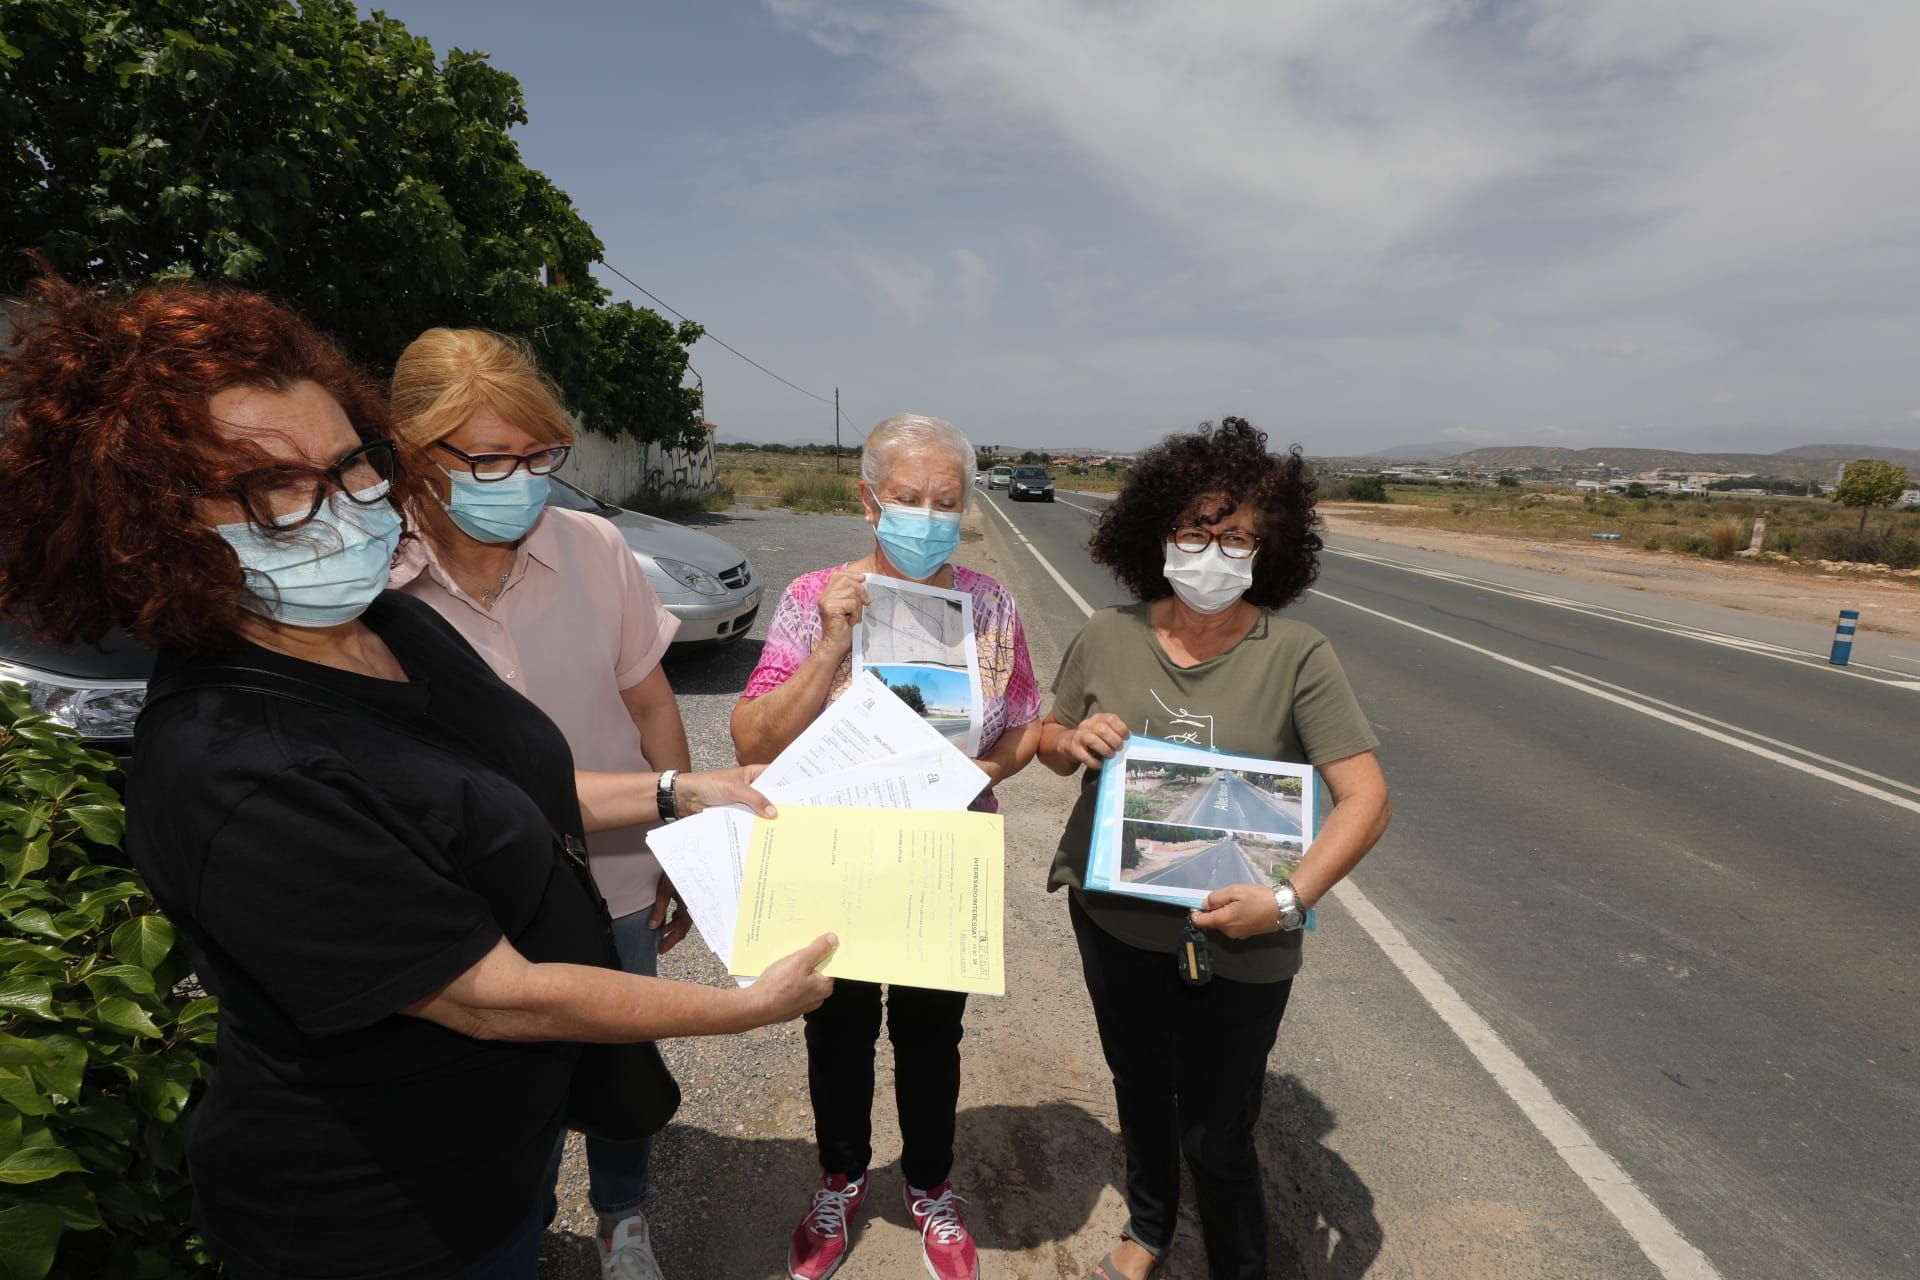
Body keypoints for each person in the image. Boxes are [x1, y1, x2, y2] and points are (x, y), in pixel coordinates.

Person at [0, 276, 836, 1280]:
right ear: (152, 520)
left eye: (352, 465)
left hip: (492, 1151)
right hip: (380, 1214)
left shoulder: (384, 628)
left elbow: (510, 786)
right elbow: (496, 999)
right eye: (273, 487)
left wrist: (678, 792)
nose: (341, 510)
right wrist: (745, 1008)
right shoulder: (238, 766)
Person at [386, 326, 720, 1279]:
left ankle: (622, 1218)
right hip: (470, 902)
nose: (521, 479)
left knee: (621, 1069)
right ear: (414, 453)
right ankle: (516, 1230)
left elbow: (649, 698)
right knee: (498, 1092)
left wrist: (679, 847)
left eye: (539, 455)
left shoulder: (593, 547)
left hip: (612, 873)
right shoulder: (372, 586)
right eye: (490, 458)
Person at [1036, 418, 1391, 1280]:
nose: (1212, 551)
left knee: (1220, 1128)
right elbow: (1047, 736)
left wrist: (1286, 898)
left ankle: (1239, 1261)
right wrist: (1075, 739)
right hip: (1118, 918)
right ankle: (1152, 1222)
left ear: (1266, 550)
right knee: (1138, 1085)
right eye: (1195, 530)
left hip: (1242, 938)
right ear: (1157, 534)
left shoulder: (1299, 653)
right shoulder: (1107, 633)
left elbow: (1366, 798)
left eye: (1235, 536)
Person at [730, 414, 1042, 1280]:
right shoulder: (813, 596)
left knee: (933, 1032)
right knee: (836, 1025)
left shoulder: (990, 606)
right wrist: (832, 642)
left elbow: (1023, 726)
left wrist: (975, 771)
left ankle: (931, 1184)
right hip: (836, 854)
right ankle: (839, 1174)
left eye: (946, 502)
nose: (928, 516)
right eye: (909, 498)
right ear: (869, 501)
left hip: (944, 856)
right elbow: (751, 731)